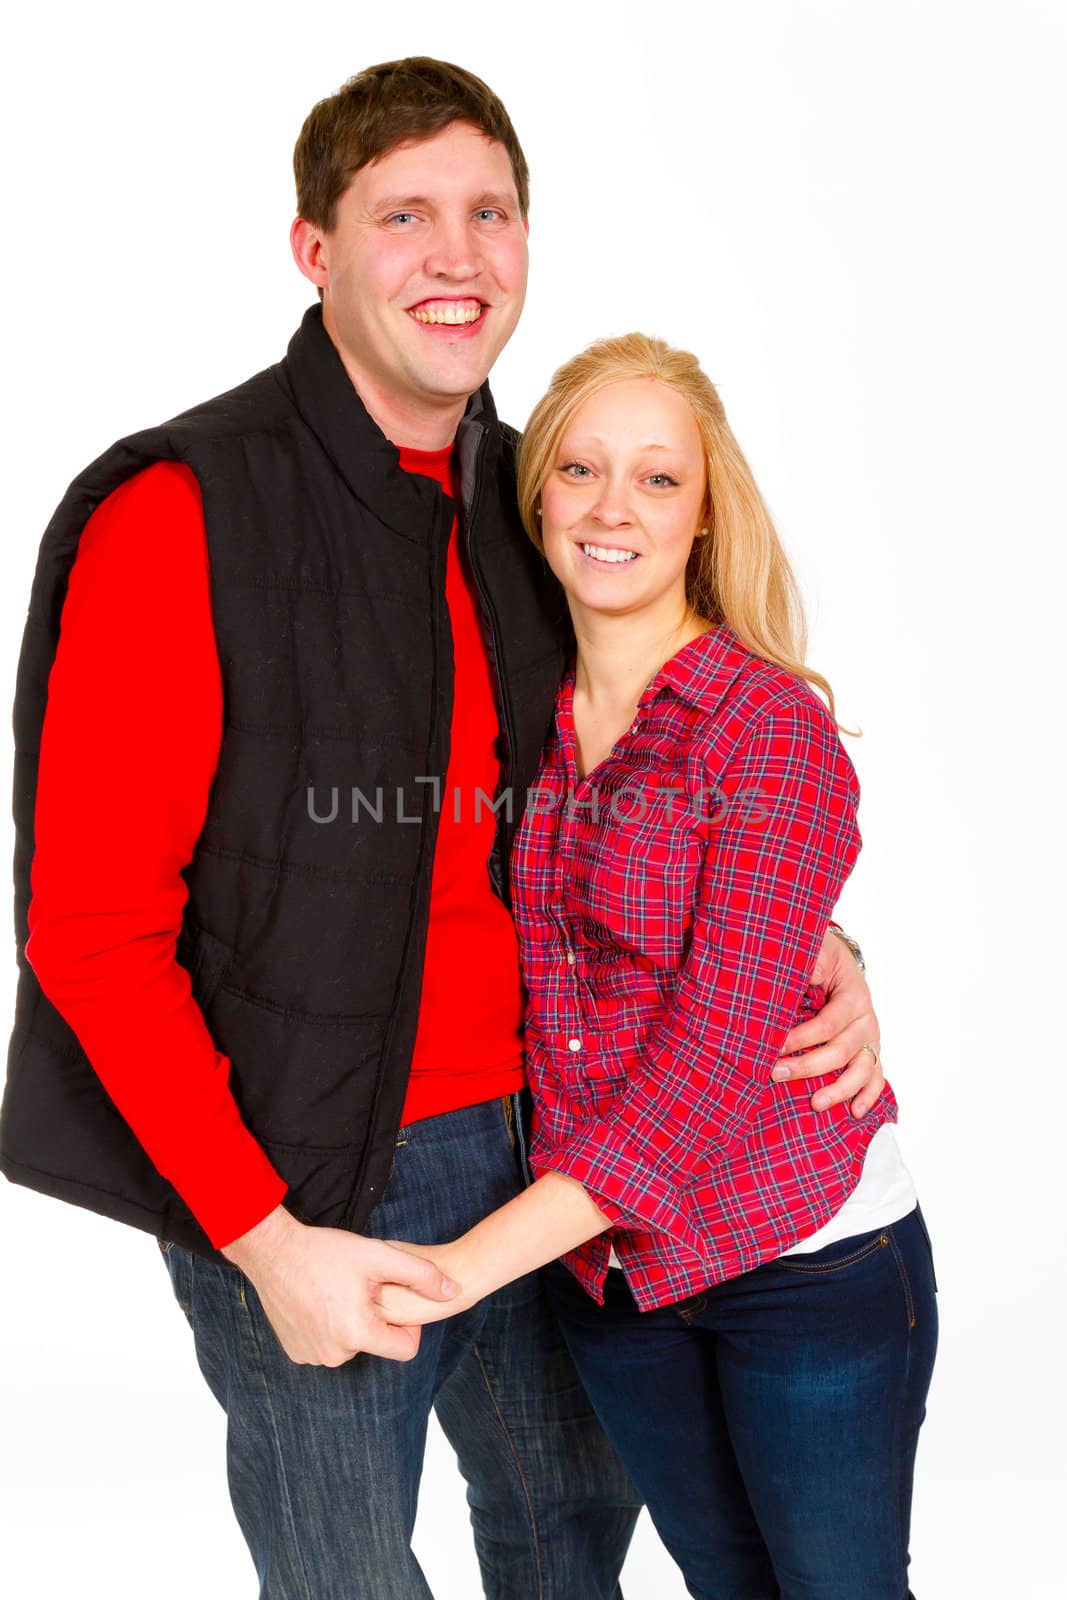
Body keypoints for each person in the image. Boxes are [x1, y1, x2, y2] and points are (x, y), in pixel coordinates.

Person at [1, 59, 889, 1600]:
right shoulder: (182, 511)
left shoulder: (539, 498)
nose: (456, 254)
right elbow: (89, 929)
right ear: (314, 250)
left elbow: (665, 784)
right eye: (402, 214)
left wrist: (811, 942)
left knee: (565, 1553)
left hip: (558, 1152)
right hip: (311, 1179)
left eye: (490, 212)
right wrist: (264, 1240)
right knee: (346, 1578)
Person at [377, 334, 938, 1600]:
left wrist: (459, 1270)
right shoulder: (517, 716)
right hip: (615, 1278)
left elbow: (708, 1061)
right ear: (537, 502)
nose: (611, 508)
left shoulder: (764, 724)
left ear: (702, 513)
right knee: (723, 1585)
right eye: (577, 470)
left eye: (655, 478)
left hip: (802, 1257)